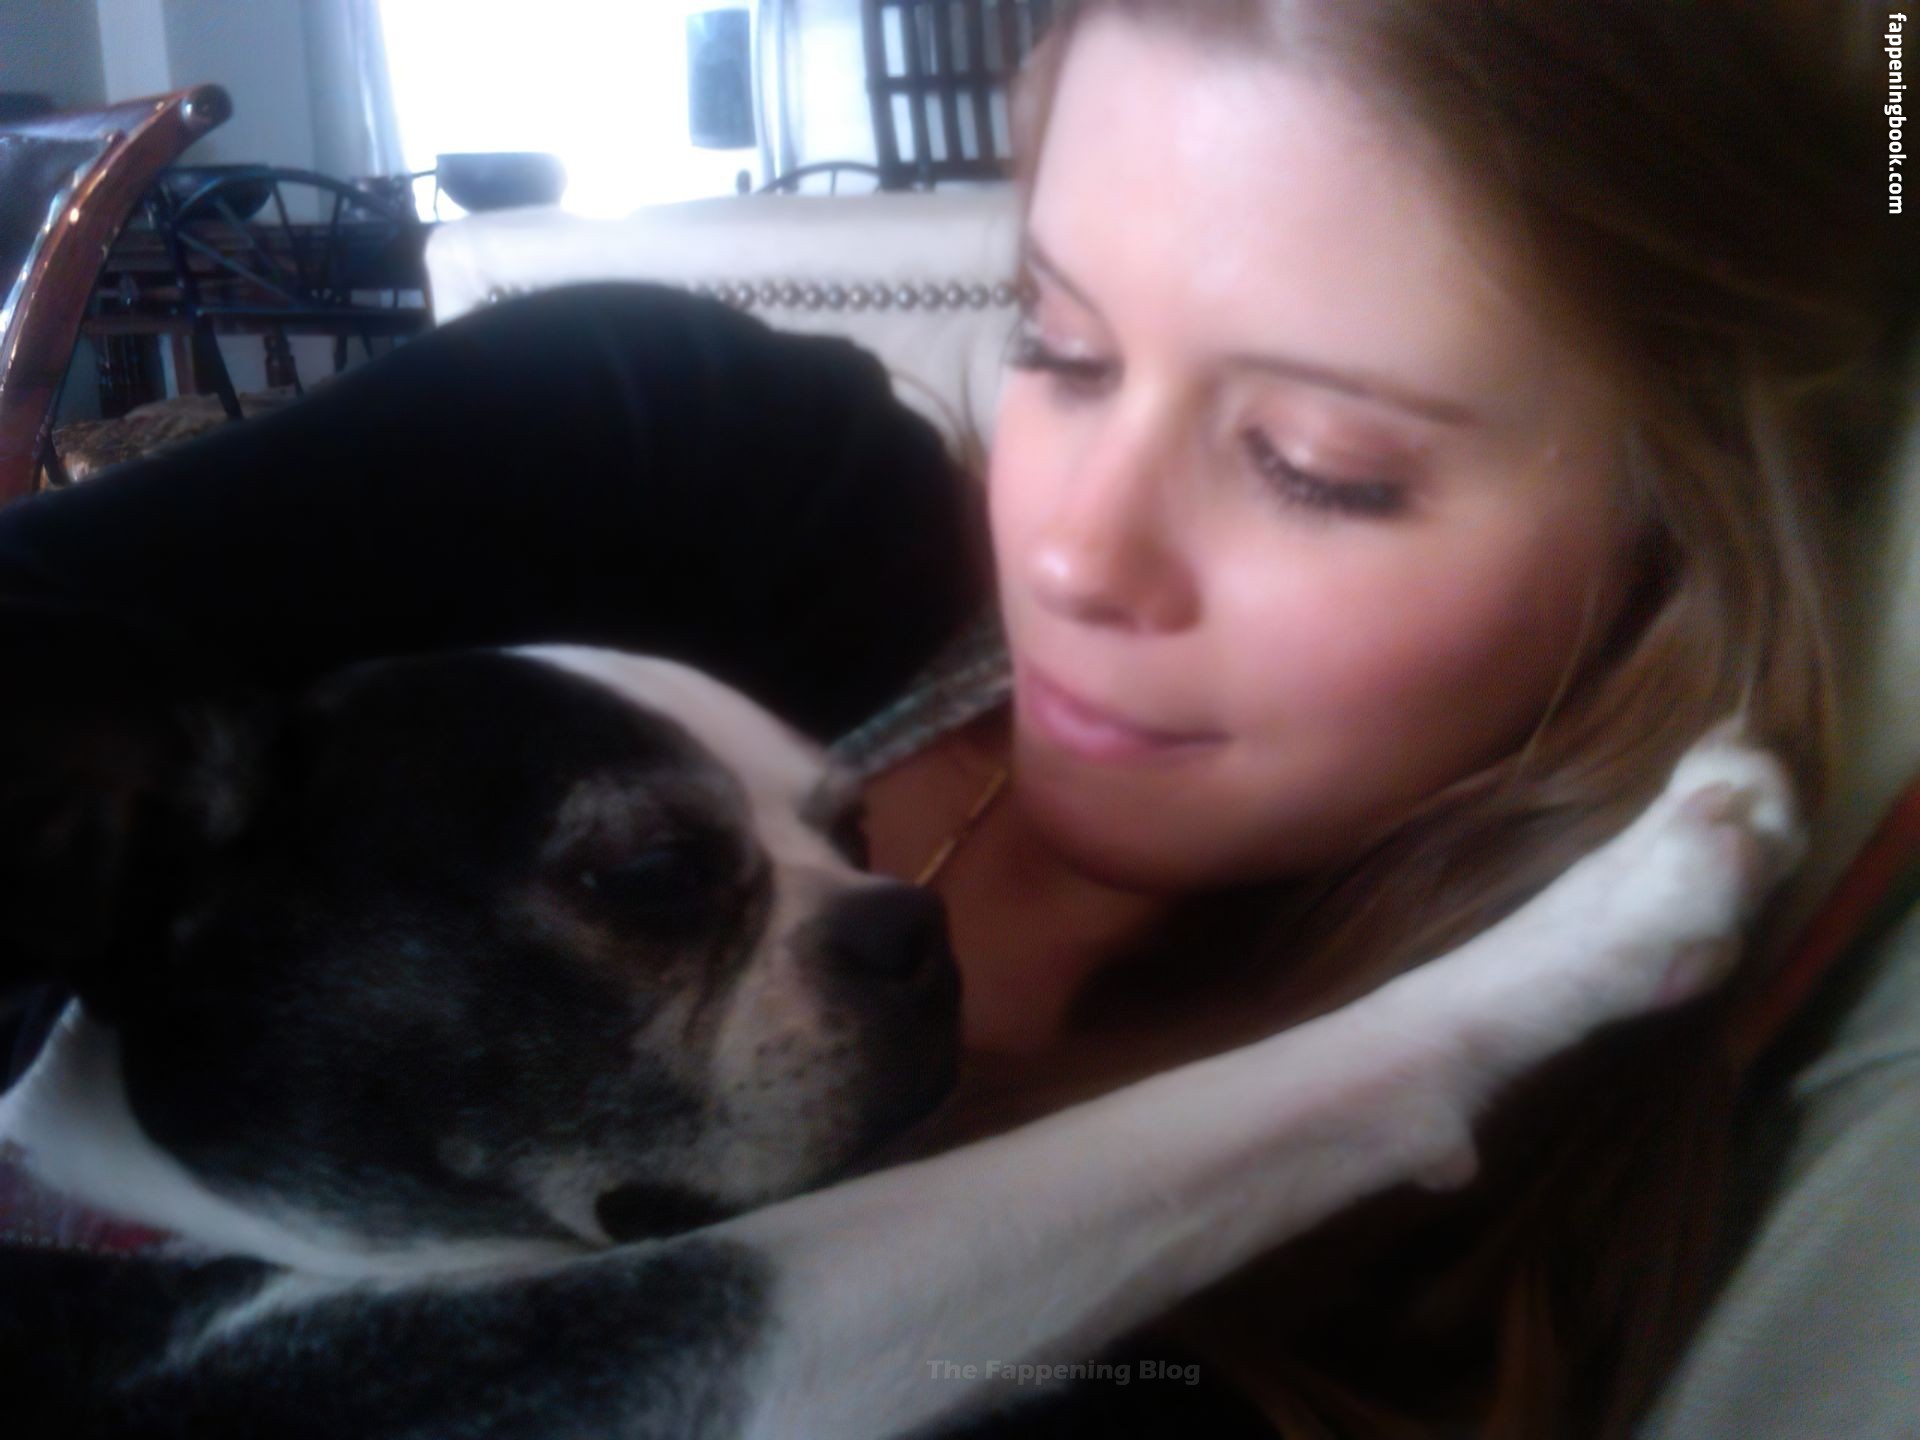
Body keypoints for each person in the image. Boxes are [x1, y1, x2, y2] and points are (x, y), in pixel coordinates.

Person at [0, 1, 1911, 1436]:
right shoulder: (706, 465)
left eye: (1316, 463)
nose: (1073, 549)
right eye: (1056, 348)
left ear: (1672, 536)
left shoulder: (1469, 1225)